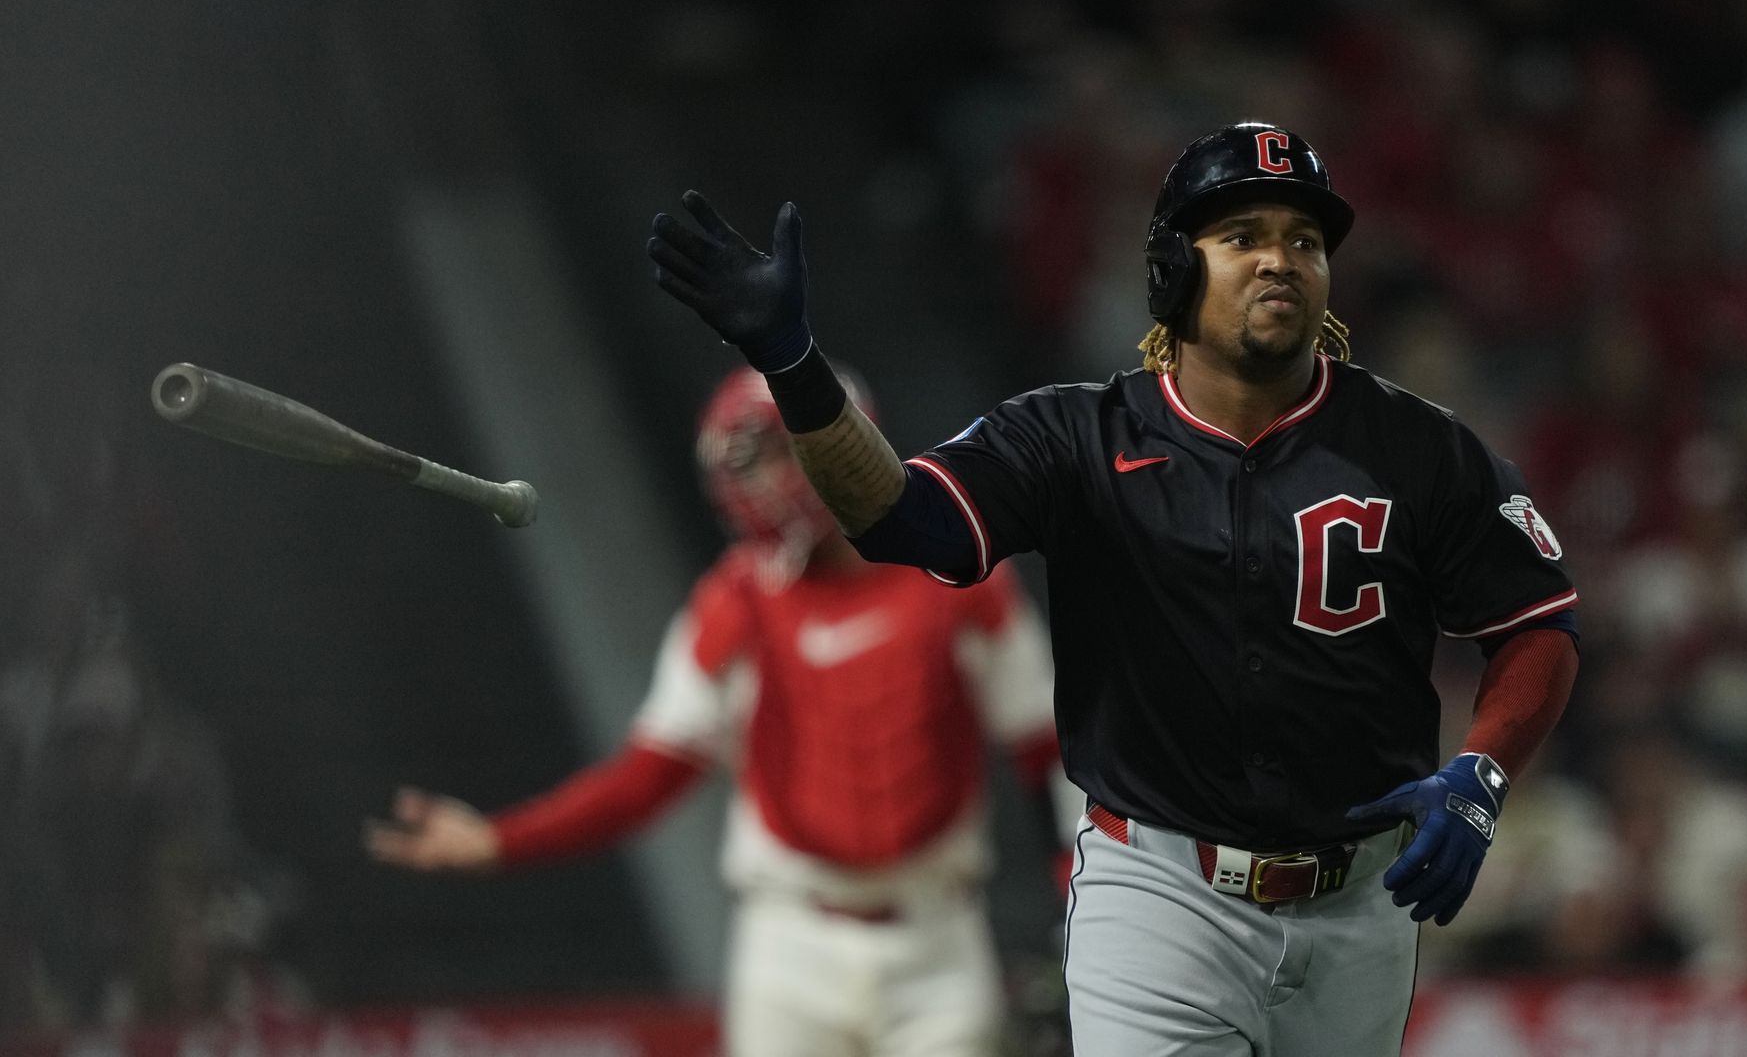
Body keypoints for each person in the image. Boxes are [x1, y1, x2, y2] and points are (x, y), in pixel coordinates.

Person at [647, 121, 1582, 1055]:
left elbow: (1537, 625)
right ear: (1173, 268)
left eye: (1304, 240)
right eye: (1243, 236)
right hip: (1160, 889)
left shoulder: (1422, 447)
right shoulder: (1076, 438)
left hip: (1363, 903)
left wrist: (1483, 771)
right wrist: (795, 369)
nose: (1280, 260)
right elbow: (896, 516)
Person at [365, 366, 1068, 1057]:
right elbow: (649, 775)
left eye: (778, 454)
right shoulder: (735, 602)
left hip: (939, 943)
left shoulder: (961, 577)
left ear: (850, 444)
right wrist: (503, 839)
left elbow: (1051, 753)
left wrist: (1087, 905)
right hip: (791, 946)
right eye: (749, 465)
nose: (760, 484)